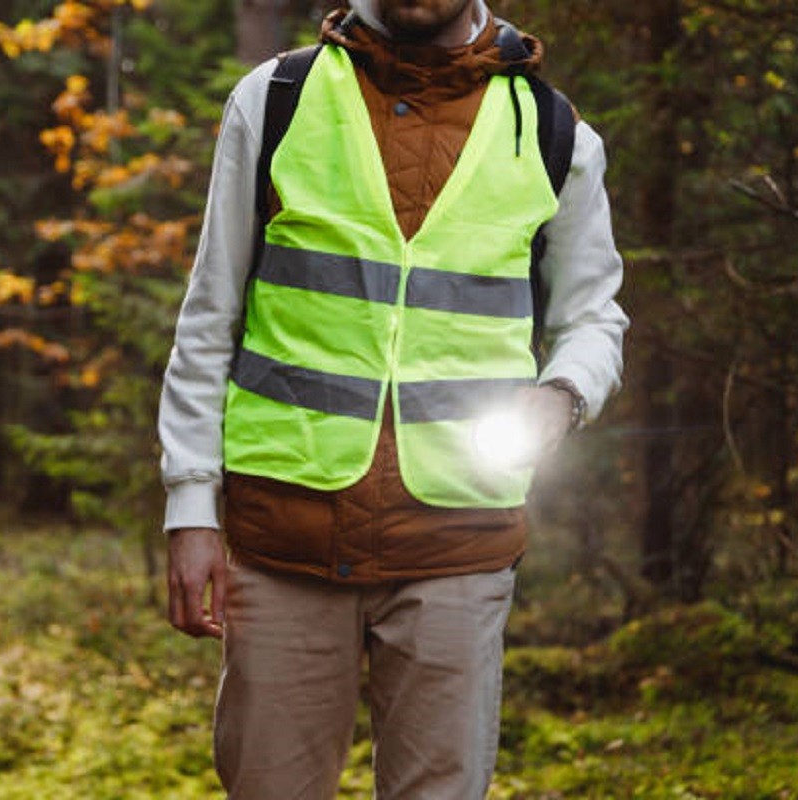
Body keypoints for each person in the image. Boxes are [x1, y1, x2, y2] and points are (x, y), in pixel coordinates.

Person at [158, 0, 628, 796]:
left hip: (458, 545)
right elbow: (211, 316)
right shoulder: (274, 100)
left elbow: (594, 318)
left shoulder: (555, 135)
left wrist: (560, 396)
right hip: (283, 541)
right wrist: (190, 505)